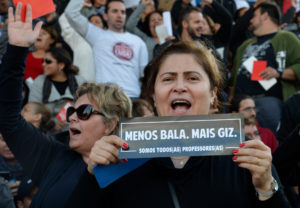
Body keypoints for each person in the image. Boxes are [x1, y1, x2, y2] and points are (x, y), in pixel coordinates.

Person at [65, 41, 290, 207]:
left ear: (212, 94)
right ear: (154, 95)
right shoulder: (121, 156)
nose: (179, 87)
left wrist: (266, 188)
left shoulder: (245, 156)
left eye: (192, 78)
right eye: (168, 78)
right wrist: (92, 176)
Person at [0, 3, 132, 207]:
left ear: (110, 124)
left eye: (84, 112)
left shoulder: (133, 174)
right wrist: (17, 49)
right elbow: (8, 119)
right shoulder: (54, 156)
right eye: (71, 111)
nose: (71, 117)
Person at [229, 2, 300, 133]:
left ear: (265, 16)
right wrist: (231, 100)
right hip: (240, 104)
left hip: (267, 101)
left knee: (269, 145)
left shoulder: (286, 37)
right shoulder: (245, 44)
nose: (250, 20)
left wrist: (279, 72)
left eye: (254, 16)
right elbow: (234, 77)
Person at [65, 0, 148, 98]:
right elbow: (71, 13)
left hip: (133, 99)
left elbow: (144, 76)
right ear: (105, 16)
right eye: (114, 11)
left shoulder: (138, 42)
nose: (119, 15)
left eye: (123, 12)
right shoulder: (97, 36)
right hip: (106, 98)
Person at [28, 47, 86, 131]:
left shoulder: (79, 81)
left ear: (61, 65)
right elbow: (33, 112)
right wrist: (51, 126)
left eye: (48, 61)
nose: (43, 64)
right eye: (42, 61)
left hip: (77, 130)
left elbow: (87, 108)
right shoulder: (39, 81)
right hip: (47, 135)